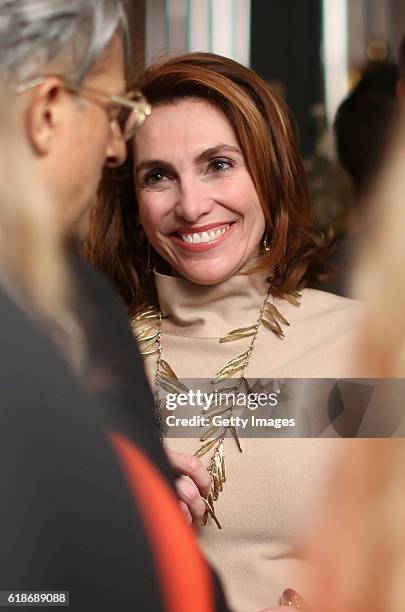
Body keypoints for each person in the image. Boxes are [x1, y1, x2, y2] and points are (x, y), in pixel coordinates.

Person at [87, 51, 363, 611]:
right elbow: (31, 587)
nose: (191, 206)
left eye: (218, 164)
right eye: (159, 176)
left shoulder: (363, 344)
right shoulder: (83, 362)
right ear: (133, 202)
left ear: (269, 171)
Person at [0, 3, 232, 610]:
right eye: (111, 113)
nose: (114, 150)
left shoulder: (80, 308)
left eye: (218, 164)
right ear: (48, 111)